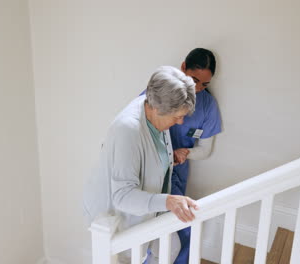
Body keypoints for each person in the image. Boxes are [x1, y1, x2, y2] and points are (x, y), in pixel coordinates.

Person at [83, 66, 199, 263]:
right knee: (128, 258)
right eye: (177, 116)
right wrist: (169, 201)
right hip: (114, 219)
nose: (180, 123)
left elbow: (152, 154)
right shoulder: (128, 130)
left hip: (148, 209)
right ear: (156, 108)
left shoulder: (155, 113)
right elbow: (122, 196)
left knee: (169, 249)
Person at [171, 48, 222, 264]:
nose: (198, 88)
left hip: (177, 174)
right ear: (183, 67)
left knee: (186, 234)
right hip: (152, 173)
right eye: (193, 80)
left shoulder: (208, 105)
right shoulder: (159, 93)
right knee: (152, 235)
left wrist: (186, 152)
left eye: (204, 84)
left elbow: (205, 149)